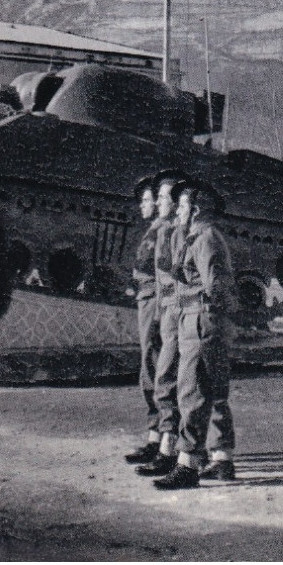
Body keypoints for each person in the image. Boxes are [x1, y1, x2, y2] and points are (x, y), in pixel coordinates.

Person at [155, 179, 237, 490]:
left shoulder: (205, 239)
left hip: (200, 322)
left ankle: (187, 464)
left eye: (184, 205)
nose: (178, 210)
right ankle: (222, 458)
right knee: (214, 392)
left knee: (191, 392)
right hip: (200, 321)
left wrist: (188, 302)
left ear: (197, 209)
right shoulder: (197, 237)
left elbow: (214, 288)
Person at [135, 170, 186, 478]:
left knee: (162, 374)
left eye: (164, 198)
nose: (156, 202)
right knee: (151, 371)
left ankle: (167, 444)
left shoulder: (170, 231)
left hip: (162, 306)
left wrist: (160, 310)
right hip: (153, 302)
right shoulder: (160, 227)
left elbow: (169, 277)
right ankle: (159, 438)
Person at [125, 176, 163, 465]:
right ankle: (156, 435)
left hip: (155, 302)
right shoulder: (154, 229)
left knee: (155, 366)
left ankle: (162, 438)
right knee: (149, 367)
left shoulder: (164, 231)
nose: (144, 205)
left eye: (148, 200)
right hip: (145, 298)